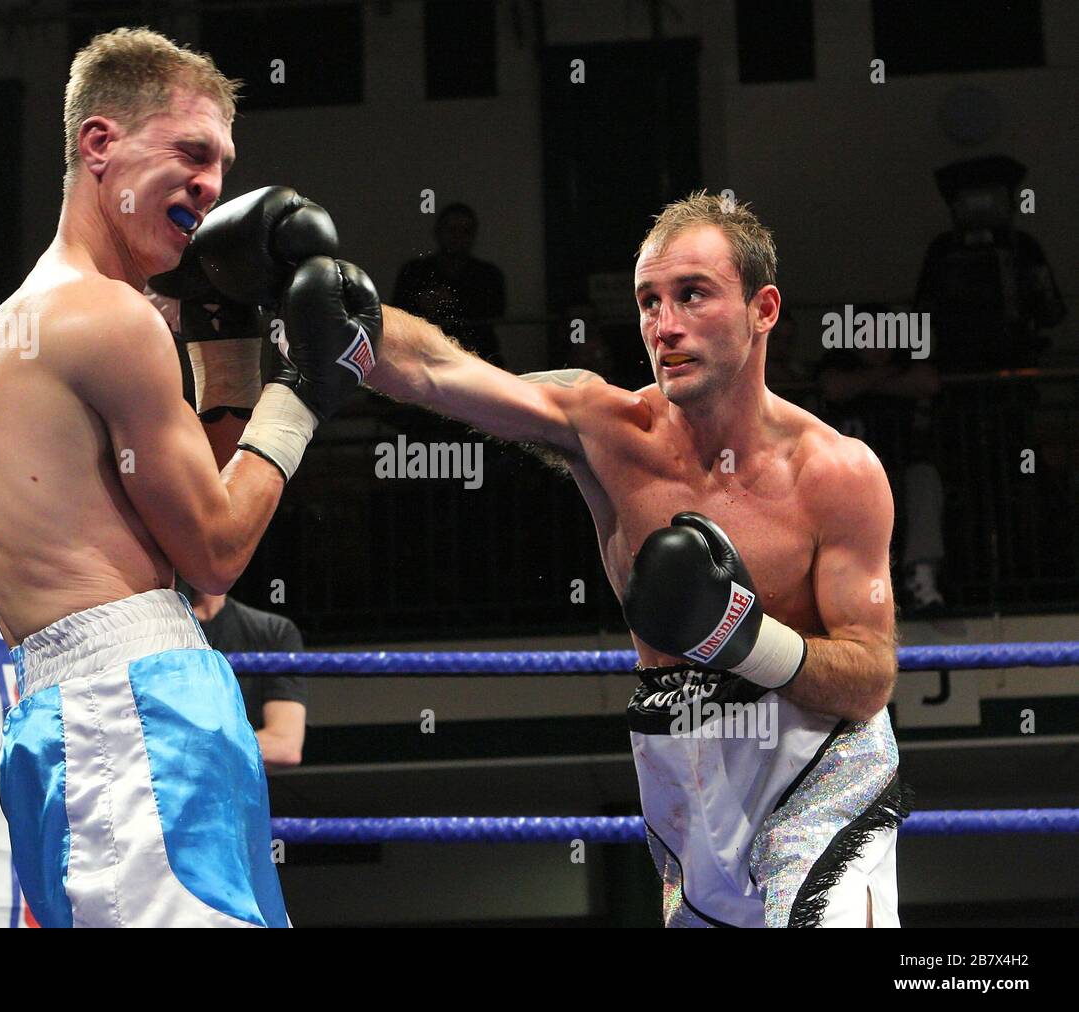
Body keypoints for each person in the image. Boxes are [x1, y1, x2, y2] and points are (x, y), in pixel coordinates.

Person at [367, 192, 908, 927]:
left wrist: (744, 640)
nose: (665, 326)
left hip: (820, 769)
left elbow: (870, 679)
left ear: (764, 309)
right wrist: (332, 303)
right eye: (650, 302)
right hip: (684, 778)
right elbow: (433, 369)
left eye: (692, 295)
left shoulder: (837, 473)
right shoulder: (607, 429)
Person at [0, 28, 380, 928]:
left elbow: (191, 514)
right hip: (131, 716)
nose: (212, 184)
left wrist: (223, 330)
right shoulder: (106, 318)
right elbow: (219, 552)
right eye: (190, 152)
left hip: (83, 716)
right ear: (99, 143)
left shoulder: (37, 315)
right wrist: (304, 393)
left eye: (222, 164)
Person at [817, 304, 946, 612]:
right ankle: (851, 590)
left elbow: (928, 382)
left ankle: (921, 580)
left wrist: (869, 381)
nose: (876, 343)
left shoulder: (907, 360)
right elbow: (834, 389)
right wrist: (882, 379)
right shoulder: (838, 362)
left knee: (925, 479)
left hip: (900, 469)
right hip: (847, 475)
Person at [181, 581, 307, 770]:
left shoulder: (272, 631)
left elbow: (285, 745)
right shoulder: (145, 634)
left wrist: (186, 751)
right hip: (160, 789)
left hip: (239, 789)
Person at [392, 203, 506, 366]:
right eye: (451, 229)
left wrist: (450, 301)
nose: (457, 236)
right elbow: (397, 312)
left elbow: (496, 311)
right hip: (423, 355)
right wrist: (423, 303)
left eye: (465, 231)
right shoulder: (415, 271)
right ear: (438, 232)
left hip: (478, 355)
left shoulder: (488, 274)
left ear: (473, 235)